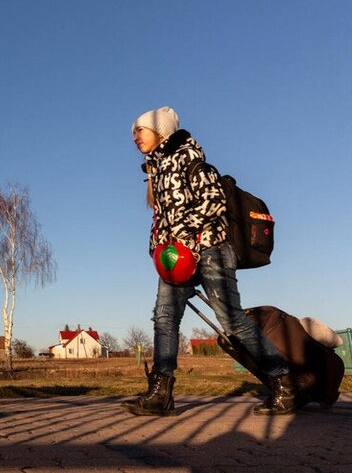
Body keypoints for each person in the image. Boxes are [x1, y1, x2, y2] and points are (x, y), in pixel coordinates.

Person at [123, 106, 298, 417]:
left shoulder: (190, 159)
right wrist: (157, 247)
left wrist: (178, 233)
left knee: (232, 322)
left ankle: (284, 384)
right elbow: (163, 217)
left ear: (161, 131)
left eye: (141, 129)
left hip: (210, 250)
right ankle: (161, 393)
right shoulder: (157, 170)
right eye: (134, 131)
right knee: (164, 318)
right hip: (176, 257)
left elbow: (213, 201)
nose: (135, 136)